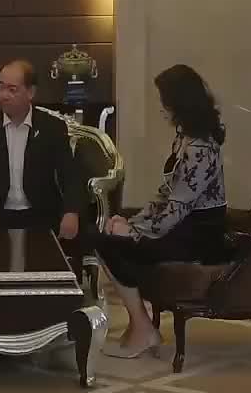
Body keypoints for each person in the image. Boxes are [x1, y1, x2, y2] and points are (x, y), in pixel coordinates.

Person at [93, 63, 227, 359]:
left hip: (198, 235)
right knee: (108, 236)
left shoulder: (201, 149)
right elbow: (165, 195)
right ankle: (141, 326)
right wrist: (133, 221)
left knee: (108, 243)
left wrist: (134, 231)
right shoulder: (184, 137)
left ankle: (143, 329)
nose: (161, 108)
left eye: (164, 100)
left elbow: (177, 209)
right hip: (181, 226)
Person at [0, 59, 82, 247]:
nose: (3, 95)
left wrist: (71, 212)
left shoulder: (52, 128)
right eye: (0, 87)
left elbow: (70, 175)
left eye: (12, 89)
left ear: (31, 92)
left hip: (41, 215)